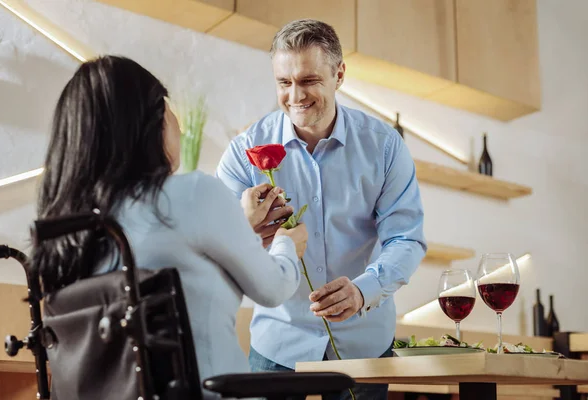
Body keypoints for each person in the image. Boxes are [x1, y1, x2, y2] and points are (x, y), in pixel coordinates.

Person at [29, 55, 308, 383]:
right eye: (167, 106)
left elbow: (170, 261)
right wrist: (286, 245)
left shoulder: (64, 234)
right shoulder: (194, 193)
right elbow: (273, 288)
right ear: (149, 123)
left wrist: (240, 228)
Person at [216, 19, 427, 400]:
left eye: (309, 80)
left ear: (339, 74)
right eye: (284, 82)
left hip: (363, 349)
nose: (295, 95)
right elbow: (218, 245)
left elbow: (406, 238)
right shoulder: (243, 152)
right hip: (277, 344)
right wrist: (245, 227)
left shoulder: (384, 147)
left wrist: (364, 292)